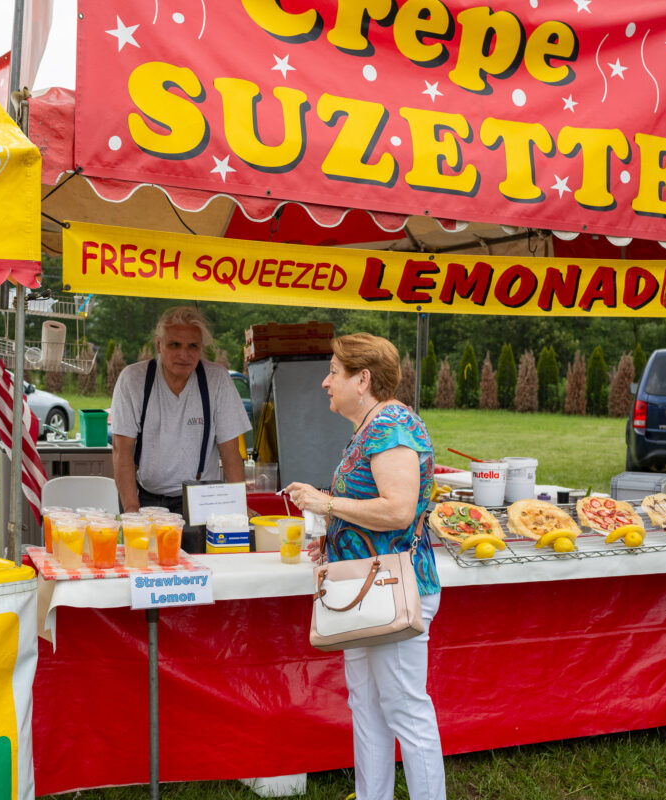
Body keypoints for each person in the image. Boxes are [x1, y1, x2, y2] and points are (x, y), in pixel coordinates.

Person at [285, 333, 445, 800]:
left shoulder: (392, 426)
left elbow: (398, 511)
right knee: (368, 708)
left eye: (334, 372)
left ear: (364, 379)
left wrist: (326, 502)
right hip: (362, 588)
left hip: (395, 587)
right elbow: (373, 511)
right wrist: (335, 540)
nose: (325, 382)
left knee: (404, 708)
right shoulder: (371, 427)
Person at [110, 306, 251, 515]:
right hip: (147, 498)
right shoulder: (133, 380)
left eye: (192, 346)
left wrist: (239, 508)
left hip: (204, 499)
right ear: (159, 345)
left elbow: (231, 452)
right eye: (174, 345)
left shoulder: (217, 379)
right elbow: (122, 450)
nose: (183, 355)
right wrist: (131, 510)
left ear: (201, 348)